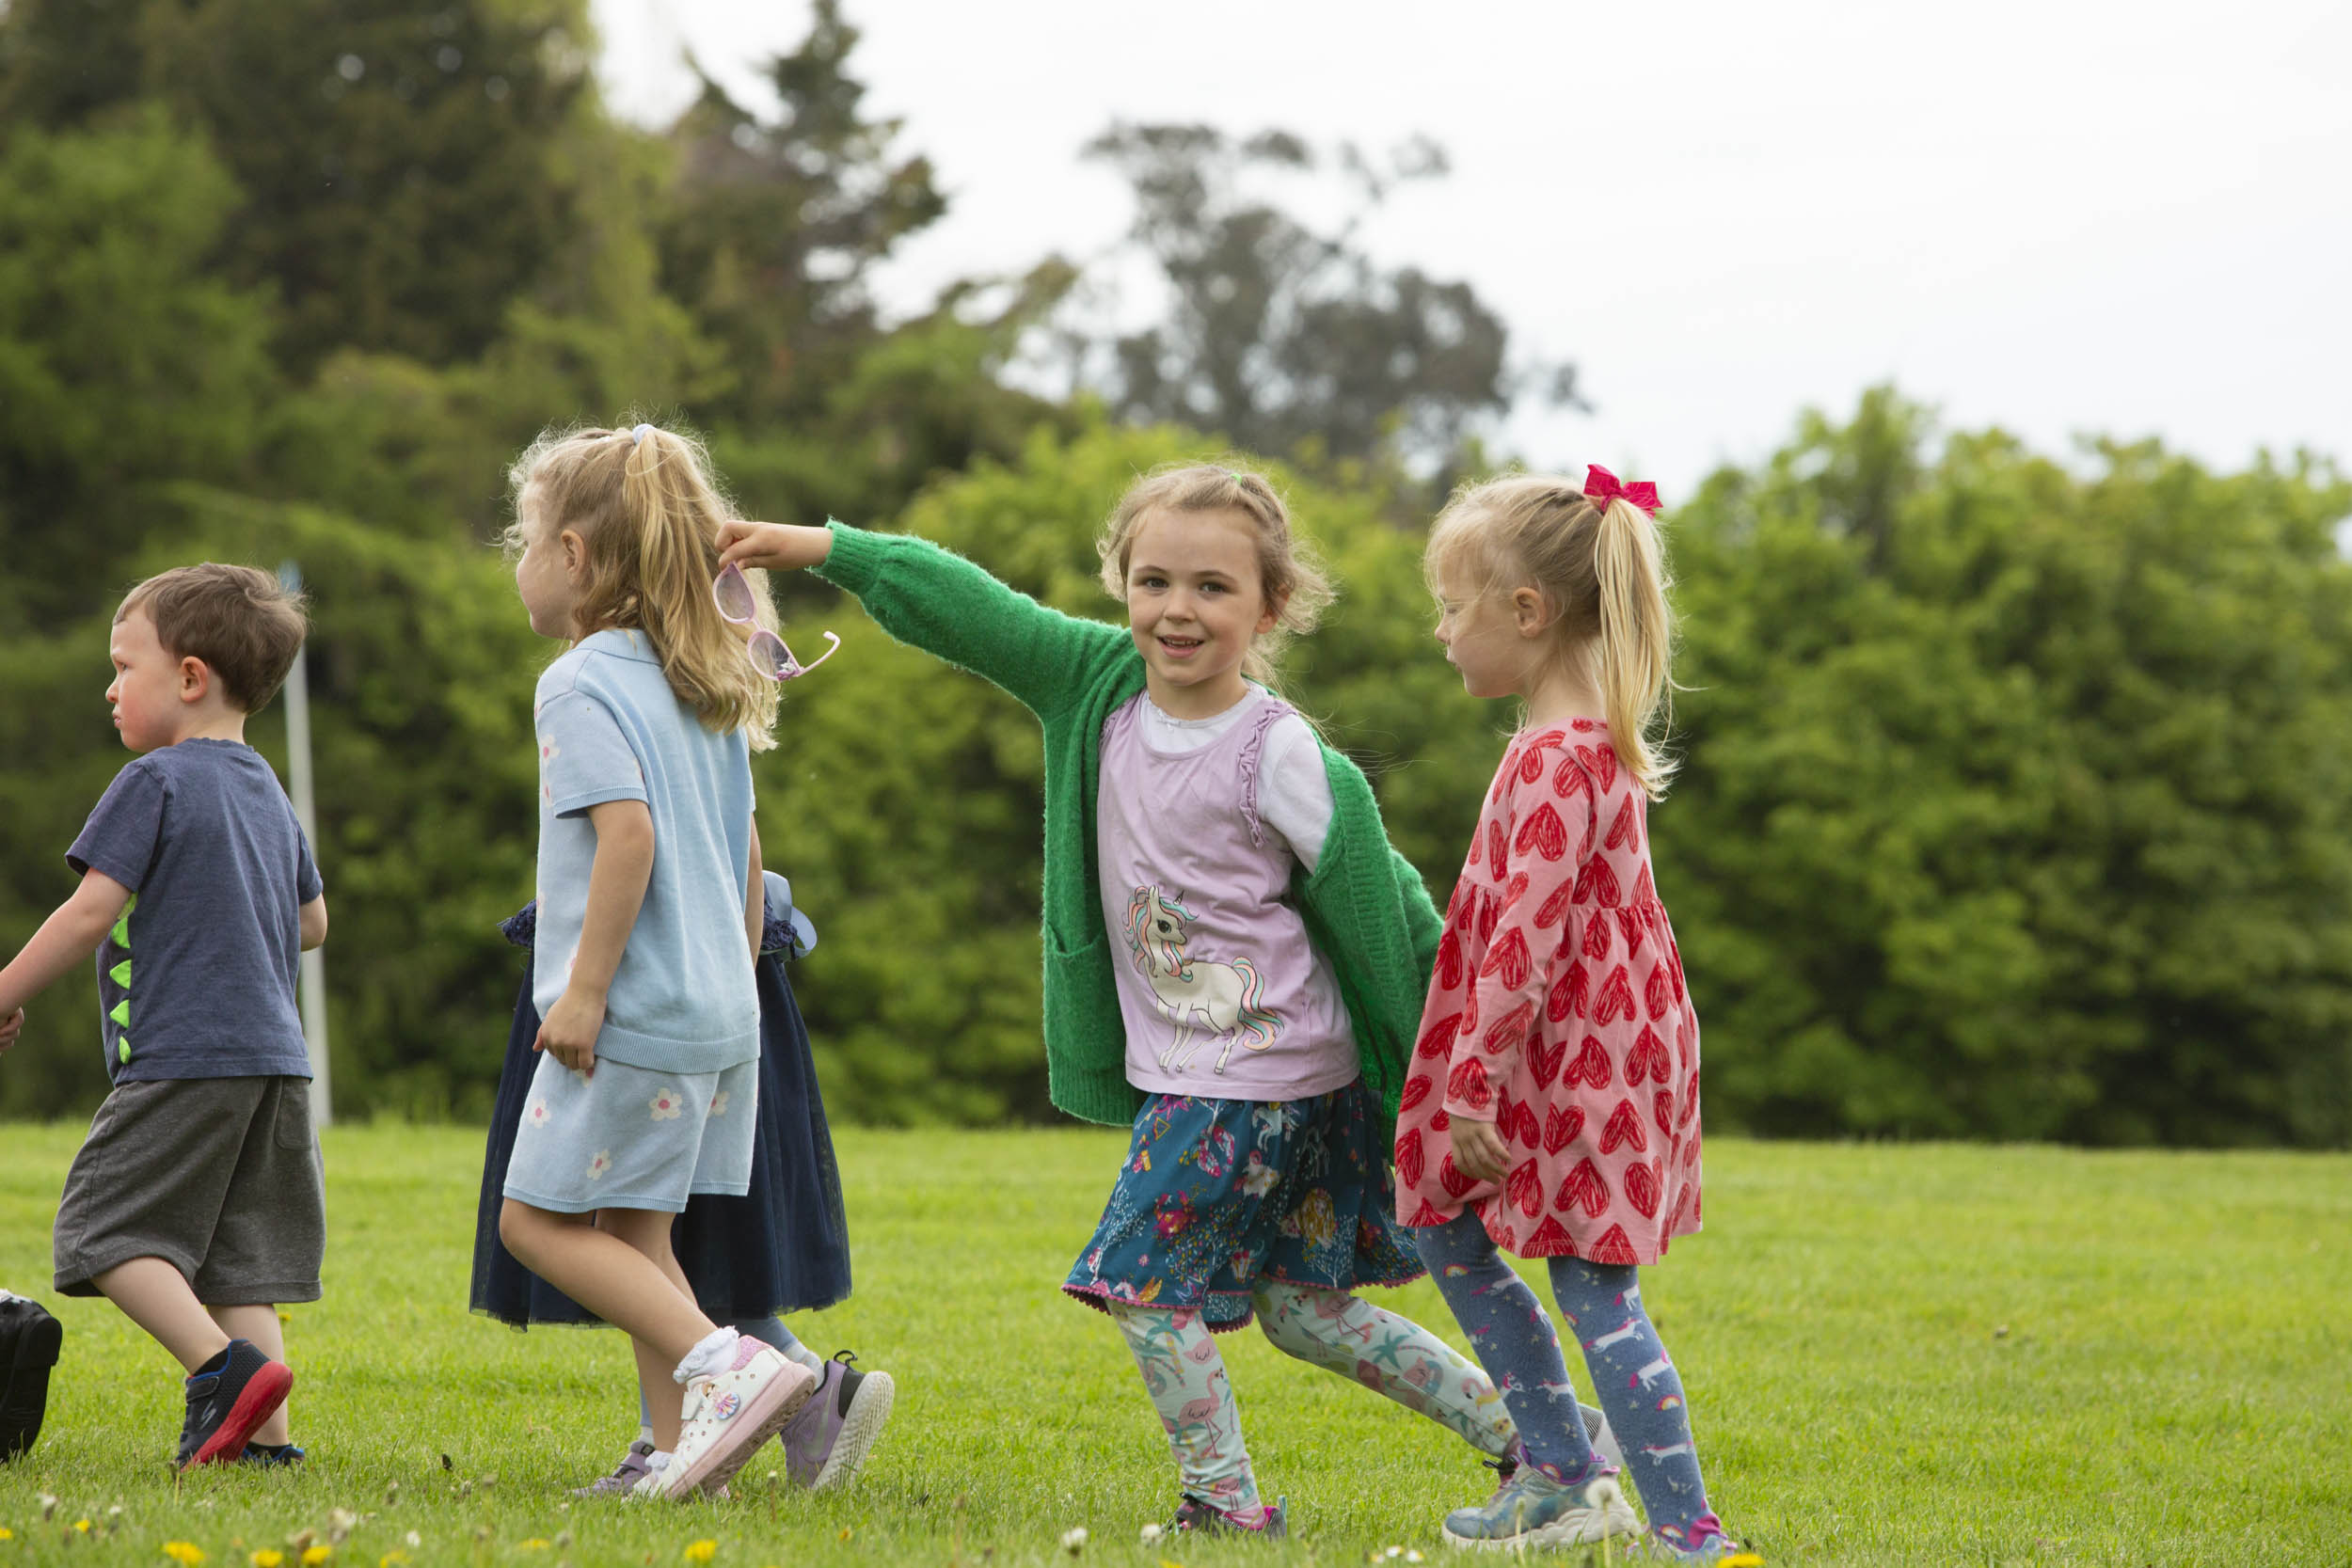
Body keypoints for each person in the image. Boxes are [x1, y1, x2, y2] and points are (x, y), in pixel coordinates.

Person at [715, 463, 1614, 1537]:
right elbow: (974, 610)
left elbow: (1394, 915)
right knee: (1301, 1309)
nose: (1176, 609)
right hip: (1225, 1076)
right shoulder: (1092, 682)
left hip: (1257, 1080)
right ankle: (1551, 1442)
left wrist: (1470, 1059)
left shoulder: (1280, 751)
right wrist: (824, 548)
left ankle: (1224, 1504)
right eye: (1152, 581)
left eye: (1212, 587)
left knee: (1142, 1284)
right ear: (1122, 585)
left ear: (1269, 606)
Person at [1397, 469, 1747, 1560]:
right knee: (1437, 1211)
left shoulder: (1559, 759)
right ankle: (1556, 1470)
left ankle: (1689, 1531)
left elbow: (1526, 938)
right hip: (1588, 1043)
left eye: (1454, 607)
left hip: (1558, 1051)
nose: (1442, 632)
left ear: (1526, 612)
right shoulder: (1580, 741)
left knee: (1592, 1283)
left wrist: (1470, 1078)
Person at [494, 421, 815, 1500]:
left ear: (577, 556)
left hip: (630, 1009)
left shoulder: (579, 680)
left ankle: (735, 1366)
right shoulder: (702, 672)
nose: (519, 561)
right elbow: (746, 850)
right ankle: (683, 1452)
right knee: (638, 1232)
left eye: (524, 537)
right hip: (719, 1011)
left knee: (532, 1218)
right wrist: (722, 978)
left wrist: (581, 991)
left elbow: (625, 837)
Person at [0, 564, 326, 1470]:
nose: (110, 687)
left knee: (102, 1228)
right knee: (239, 1259)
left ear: (189, 678)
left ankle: (218, 1369)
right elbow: (313, 922)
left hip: (184, 1054)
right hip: (276, 1059)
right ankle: (266, 1446)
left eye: (123, 666)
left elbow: (87, 914)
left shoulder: (155, 782)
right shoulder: (265, 788)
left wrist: (5, 990)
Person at [471, 870, 896, 1494]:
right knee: (656, 1223)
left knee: (624, 1219)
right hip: (707, 959)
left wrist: (587, 989)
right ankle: (786, 1400)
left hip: (641, 968)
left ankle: (694, 1431)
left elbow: (632, 835)